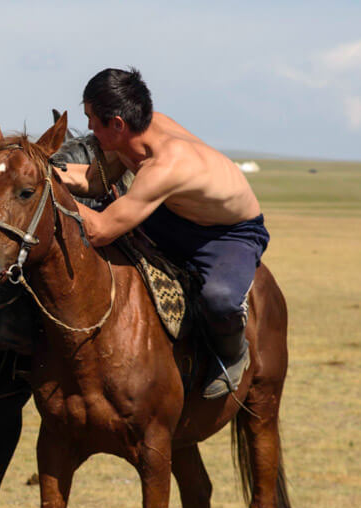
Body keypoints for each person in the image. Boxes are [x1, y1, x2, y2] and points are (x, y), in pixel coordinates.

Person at [56, 68, 269, 399]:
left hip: (228, 233)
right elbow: (95, 182)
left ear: (116, 124)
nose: (89, 129)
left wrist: (47, 191)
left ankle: (232, 353)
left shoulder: (165, 165)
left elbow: (99, 231)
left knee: (219, 299)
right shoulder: (128, 135)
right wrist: (41, 171)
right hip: (171, 212)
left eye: (92, 120)